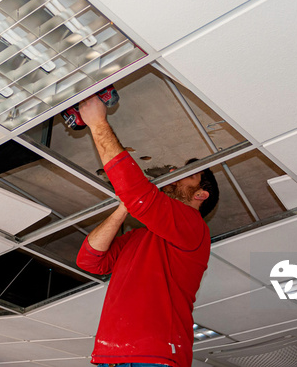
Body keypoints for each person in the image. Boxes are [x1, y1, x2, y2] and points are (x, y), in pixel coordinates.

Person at [75, 95, 219, 367]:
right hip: (116, 356)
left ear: (201, 194)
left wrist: (98, 124)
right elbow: (90, 260)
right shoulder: (141, 237)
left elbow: (142, 196)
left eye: (189, 174)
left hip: (156, 354)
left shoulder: (193, 226)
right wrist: (123, 208)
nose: (175, 170)